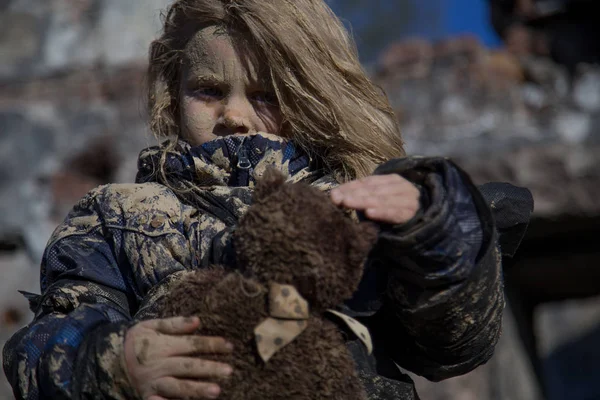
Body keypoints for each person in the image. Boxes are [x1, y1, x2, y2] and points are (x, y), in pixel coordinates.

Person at [3, 0, 532, 399]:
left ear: (311, 97)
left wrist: (433, 233)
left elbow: (455, 345)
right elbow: (47, 338)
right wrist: (112, 362)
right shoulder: (113, 215)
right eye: (208, 90)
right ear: (173, 92)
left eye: (266, 96)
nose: (234, 115)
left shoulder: (357, 202)